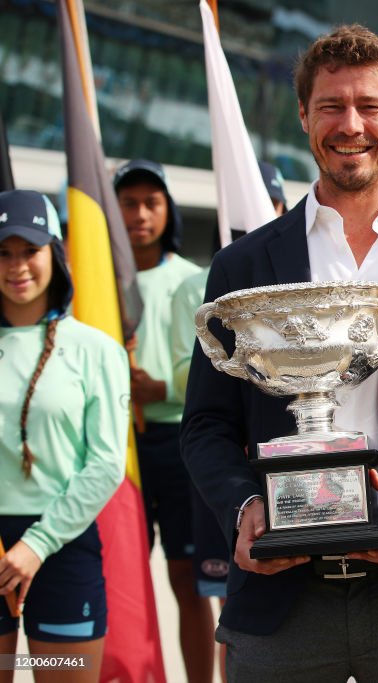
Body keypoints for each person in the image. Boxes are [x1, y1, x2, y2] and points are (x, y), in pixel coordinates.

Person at [179, 24, 378, 682]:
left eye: (369, 107)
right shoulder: (244, 265)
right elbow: (208, 425)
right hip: (281, 596)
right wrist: (249, 513)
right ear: (303, 115)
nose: (349, 125)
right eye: (330, 106)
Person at [0, 190, 129, 683]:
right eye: (4, 252)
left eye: (29, 251)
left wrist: (37, 543)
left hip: (60, 545)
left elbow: (105, 464)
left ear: (53, 254)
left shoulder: (95, 349)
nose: (17, 266)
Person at [167, 160, 287, 682]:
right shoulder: (215, 276)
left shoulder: (312, 280)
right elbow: (199, 400)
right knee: (220, 597)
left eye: (268, 207)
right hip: (233, 473)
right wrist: (243, 502)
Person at [113, 158, 208, 682]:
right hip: (116, 443)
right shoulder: (90, 280)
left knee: (186, 575)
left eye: (151, 203)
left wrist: (161, 388)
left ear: (167, 209)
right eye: (128, 203)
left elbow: (207, 366)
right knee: (122, 578)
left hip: (173, 440)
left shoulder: (189, 279)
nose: (140, 214)